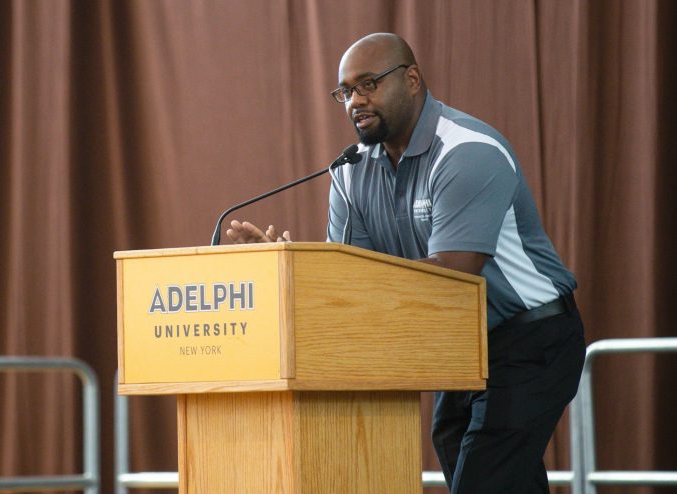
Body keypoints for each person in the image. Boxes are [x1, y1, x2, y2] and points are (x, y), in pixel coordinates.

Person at [227, 33, 585, 494]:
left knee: (485, 476)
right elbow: (349, 279)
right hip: (456, 347)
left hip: (531, 337)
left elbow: (450, 282)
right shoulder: (350, 170)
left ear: (412, 79)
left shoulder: (466, 151)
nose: (355, 100)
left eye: (369, 84)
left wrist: (327, 276)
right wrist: (289, 267)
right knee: (495, 475)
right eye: (345, 91)